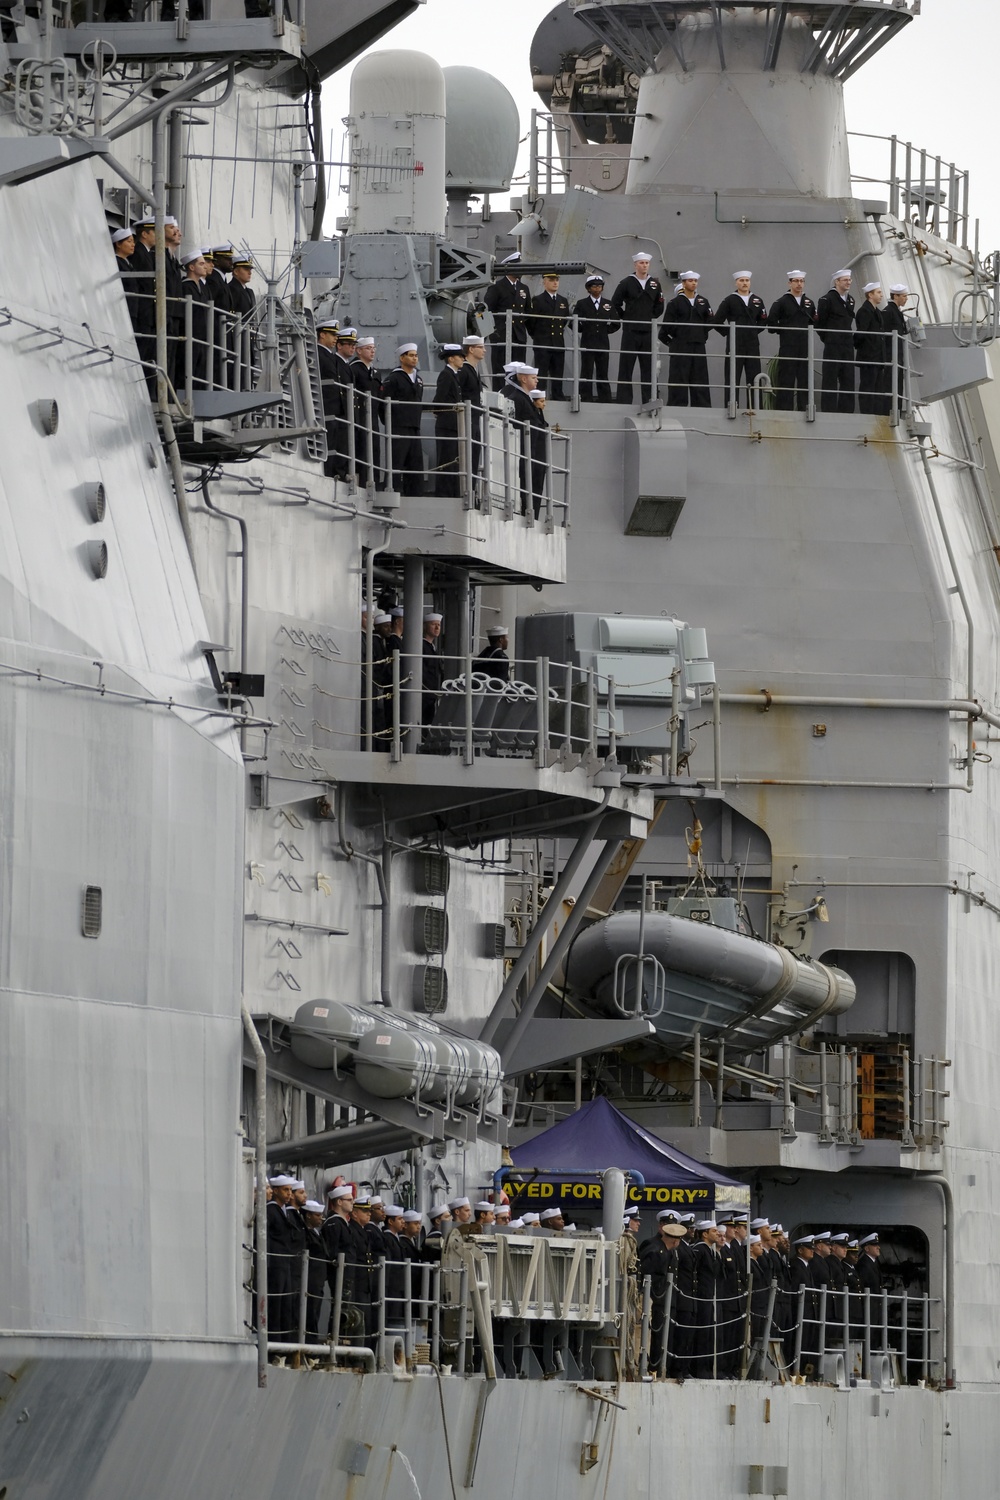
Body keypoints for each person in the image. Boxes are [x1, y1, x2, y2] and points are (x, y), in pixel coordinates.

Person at [611, 251, 664, 404]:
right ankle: (624, 400)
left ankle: (649, 400)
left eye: (646, 263)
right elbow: (616, 303)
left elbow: (660, 304)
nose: (644, 265)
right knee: (626, 367)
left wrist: (650, 317)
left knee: (648, 368)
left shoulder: (654, 284)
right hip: (630, 331)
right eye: (641, 263)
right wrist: (626, 317)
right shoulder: (627, 282)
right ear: (635, 265)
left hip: (647, 331)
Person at [714, 270, 768, 407]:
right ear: (736, 282)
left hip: (752, 345)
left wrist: (753, 331)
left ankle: (756, 408)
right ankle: (731, 406)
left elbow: (763, 320)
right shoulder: (729, 300)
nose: (744, 283)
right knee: (733, 377)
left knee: (755, 377)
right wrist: (729, 332)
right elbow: (716, 321)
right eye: (742, 281)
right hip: (735, 344)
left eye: (747, 281)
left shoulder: (757, 300)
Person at [640, 1213, 686, 1374]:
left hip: (668, 1299)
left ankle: (663, 1367)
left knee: (668, 1336)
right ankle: (654, 1367)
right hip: (656, 1300)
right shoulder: (653, 1247)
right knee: (657, 1336)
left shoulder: (670, 1251)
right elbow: (646, 1275)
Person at [660, 270, 714, 407]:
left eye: (695, 281)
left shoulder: (703, 302)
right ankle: (677, 406)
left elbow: (710, 321)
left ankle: (702, 406)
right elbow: (667, 325)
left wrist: (701, 334)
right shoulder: (675, 303)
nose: (693, 283)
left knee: (700, 378)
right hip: (681, 345)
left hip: (698, 345)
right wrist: (677, 338)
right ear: (683, 283)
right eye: (690, 281)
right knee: (679, 377)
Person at [768, 270, 817, 411]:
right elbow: (771, 324)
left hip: (804, 347)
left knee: (804, 379)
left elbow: (815, 321)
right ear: (789, 283)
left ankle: (805, 408)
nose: (799, 284)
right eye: (796, 281)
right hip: (788, 346)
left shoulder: (809, 303)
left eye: (802, 281)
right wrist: (785, 329)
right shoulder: (781, 302)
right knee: (786, 379)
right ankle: (784, 410)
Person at [381, 342, 425, 495]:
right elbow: (383, 402)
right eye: (411, 355)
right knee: (397, 460)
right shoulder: (394, 378)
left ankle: (415, 492)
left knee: (415, 462)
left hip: (414, 426)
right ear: (402, 358)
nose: (415, 359)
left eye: (416, 356)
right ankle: (393, 489)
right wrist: (389, 422)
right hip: (399, 425)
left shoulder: (418, 380)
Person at [484, 253, 531, 389]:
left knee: (519, 368)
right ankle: (499, 392)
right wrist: (490, 333)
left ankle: (518, 391)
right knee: (500, 368)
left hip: (518, 335)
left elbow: (528, 311)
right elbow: (486, 310)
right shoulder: (496, 287)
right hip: (501, 334)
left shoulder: (524, 288)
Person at [573, 274, 619, 404]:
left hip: (603, 343)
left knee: (602, 372)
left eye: (600, 286)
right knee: (586, 372)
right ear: (588, 288)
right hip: (588, 342)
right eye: (594, 286)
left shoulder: (608, 304)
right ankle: (585, 397)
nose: (597, 288)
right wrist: (585, 329)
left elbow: (616, 323)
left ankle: (605, 398)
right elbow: (573, 323)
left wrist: (605, 331)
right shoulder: (582, 304)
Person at [816, 270, 856, 413]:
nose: (848, 282)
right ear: (837, 282)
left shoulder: (850, 300)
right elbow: (819, 324)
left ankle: (847, 410)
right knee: (830, 377)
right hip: (833, 344)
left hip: (847, 345)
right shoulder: (826, 300)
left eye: (849, 279)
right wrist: (828, 338)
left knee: (848, 377)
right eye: (845, 280)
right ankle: (829, 409)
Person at [265, 1173, 297, 1346]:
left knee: (286, 1304)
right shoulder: (271, 1210)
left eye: (290, 1190)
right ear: (275, 1191)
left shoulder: (284, 1212)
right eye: (285, 1190)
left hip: (285, 1264)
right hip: (276, 1264)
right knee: (275, 1305)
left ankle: (284, 1343)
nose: (289, 1194)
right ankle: (274, 1343)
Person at [317, 319, 350, 480]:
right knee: (328, 441)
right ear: (322, 335)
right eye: (332, 334)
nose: (335, 338)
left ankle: (336, 472)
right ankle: (328, 472)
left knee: (337, 442)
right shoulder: (317, 353)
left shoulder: (330, 355)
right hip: (325, 406)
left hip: (335, 408)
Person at [530, 271, 570, 400]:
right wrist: (537, 336)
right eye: (552, 280)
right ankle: (540, 395)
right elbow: (531, 323)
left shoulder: (563, 301)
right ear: (544, 281)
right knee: (541, 372)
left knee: (558, 372)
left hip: (558, 342)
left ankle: (558, 395)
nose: (555, 283)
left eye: (557, 280)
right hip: (543, 342)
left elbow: (563, 321)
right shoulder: (538, 300)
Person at [432, 343, 465, 496]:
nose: (462, 359)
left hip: (453, 425)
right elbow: (440, 399)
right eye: (460, 357)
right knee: (446, 459)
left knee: (453, 459)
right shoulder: (446, 375)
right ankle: (444, 492)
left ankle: (452, 491)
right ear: (451, 359)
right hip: (447, 425)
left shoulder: (453, 375)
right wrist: (442, 413)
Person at [351, 335, 383, 488]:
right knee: (362, 448)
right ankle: (362, 482)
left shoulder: (376, 372)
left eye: (373, 348)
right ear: (359, 351)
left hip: (373, 418)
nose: (372, 351)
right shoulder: (354, 369)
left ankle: (373, 481)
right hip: (360, 416)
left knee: (374, 450)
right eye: (368, 348)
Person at [855, 283, 889, 415]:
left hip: (878, 357)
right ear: (870, 295)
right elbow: (861, 333)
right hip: (869, 357)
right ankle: (867, 412)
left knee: (878, 387)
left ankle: (877, 412)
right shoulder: (864, 311)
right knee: (868, 386)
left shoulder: (877, 312)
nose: (881, 295)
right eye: (878, 292)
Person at [458, 334, 487, 487]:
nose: (485, 351)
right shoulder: (463, 370)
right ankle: (466, 488)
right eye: (481, 347)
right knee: (468, 457)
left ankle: (472, 488)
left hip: (475, 419)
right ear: (471, 349)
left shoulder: (474, 370)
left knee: (474, 457)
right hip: (466, 421)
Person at [788, 1234, 819, 1375]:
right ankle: (797, 1369)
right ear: (800, 1250)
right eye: (809, 1248)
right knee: (800, 1341)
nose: (812, 1250)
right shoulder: (796, 1266)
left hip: (809, 1311)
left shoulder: (806, 1266)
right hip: (801, 1311)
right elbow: (795, 1290)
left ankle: (804, 1370)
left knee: (807, 1342)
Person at [179, 250, 210, 390]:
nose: (205, 266)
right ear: (191, 267)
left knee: (199, 373)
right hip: (190, 335)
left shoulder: (200, 288)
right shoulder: (186, 286)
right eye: (201, 263)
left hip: (200, 337)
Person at [301, 1200, 330, 1344]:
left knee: (315, 1313)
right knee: (310, 1313)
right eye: (317, 1215)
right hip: (310, 1279)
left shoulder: (316, 1233)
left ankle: (312, 1342)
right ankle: (309, 1343)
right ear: (308, 1216)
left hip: (318, 1280)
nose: (320, 1218)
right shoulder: (305, 1233)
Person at [881, 283, 912, 408]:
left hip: (898, 355)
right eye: (904, 296)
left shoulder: (897, 312)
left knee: (898, 385)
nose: (906, 298)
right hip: (891, 355)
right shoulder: (888, 312)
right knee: (890, 384)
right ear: (895, 296)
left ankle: (896, 409)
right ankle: (890, 409)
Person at [528, 388, 550, 519]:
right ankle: (532, 513)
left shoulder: (540, 416)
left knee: (539, 488)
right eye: (541, 401)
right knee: (534, 487)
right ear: (534, 402)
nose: (544, 404)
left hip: (541, 458)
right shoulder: (534, 418)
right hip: (536, 456)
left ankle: (536, 514)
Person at [111, 228, 140, 330]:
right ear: (118, 244)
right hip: (123, 308)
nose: (133, 245)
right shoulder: (116, 262)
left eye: (133, 242)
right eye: (129, 241)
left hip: (132, 309)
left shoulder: (128, 264)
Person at [422, 610, 444, 728]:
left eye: (439, 625)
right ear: (425, 626)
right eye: (433, 624)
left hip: (431, 693)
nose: (437, 627)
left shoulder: (432, 647)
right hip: (425, 692)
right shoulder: (422, 646)